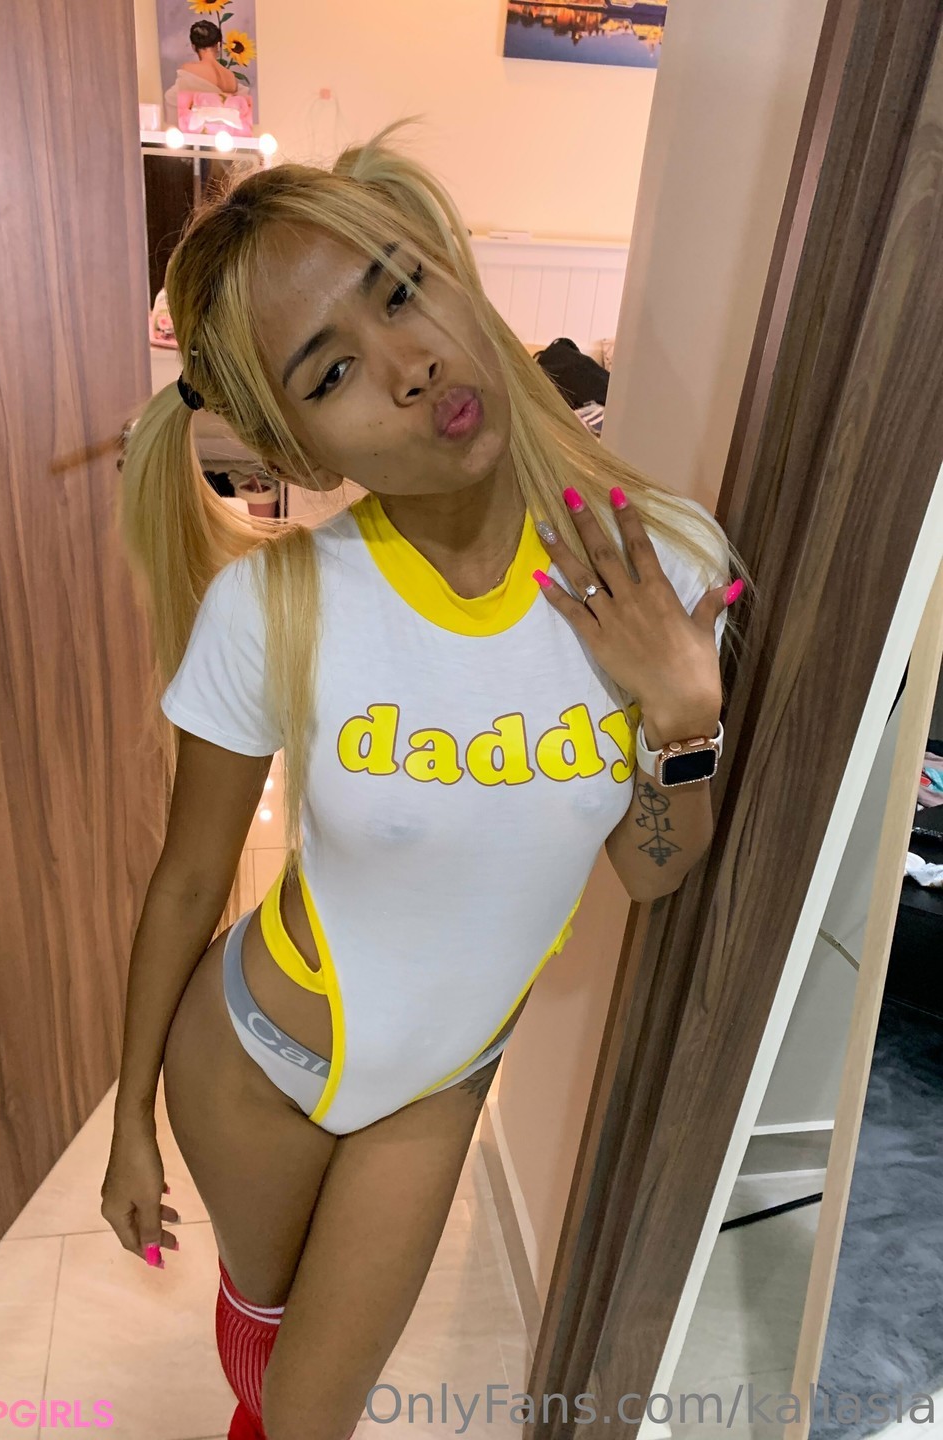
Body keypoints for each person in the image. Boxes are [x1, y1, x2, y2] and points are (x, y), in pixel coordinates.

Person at [103, 116, 752, 1440]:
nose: (411, 365)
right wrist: (128, 1124)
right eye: (334, 368)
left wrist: (684, 718)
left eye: (402, 289)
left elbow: (651, 874)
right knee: (265, 1347)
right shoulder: (276, 607)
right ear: (300, 450)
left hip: (442, 1078)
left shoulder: (663, 562)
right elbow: (185, 881)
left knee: (312, 1414)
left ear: (455, 272)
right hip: (255, 1057)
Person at [179, 18, 239, 99]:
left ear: (193, 47)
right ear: (218, 44)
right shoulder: (231, 77)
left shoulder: (188, 69)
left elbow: (179, 102)